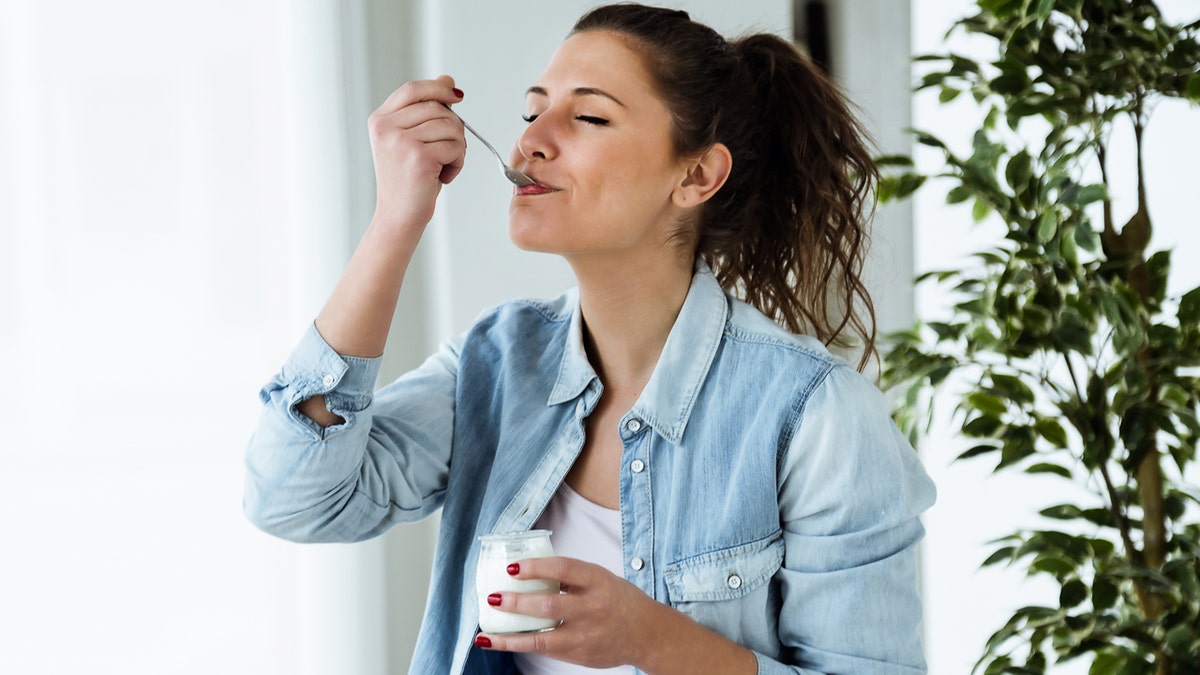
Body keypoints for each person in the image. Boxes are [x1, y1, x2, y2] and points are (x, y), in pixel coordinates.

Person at [244, 4, 936, 674]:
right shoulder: (495, 363)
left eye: (589, 116)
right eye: (531, 110)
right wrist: (396, 218)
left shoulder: (816, 416)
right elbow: (295, 498)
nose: (531, 141)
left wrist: (651, 638)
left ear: (697, 175)